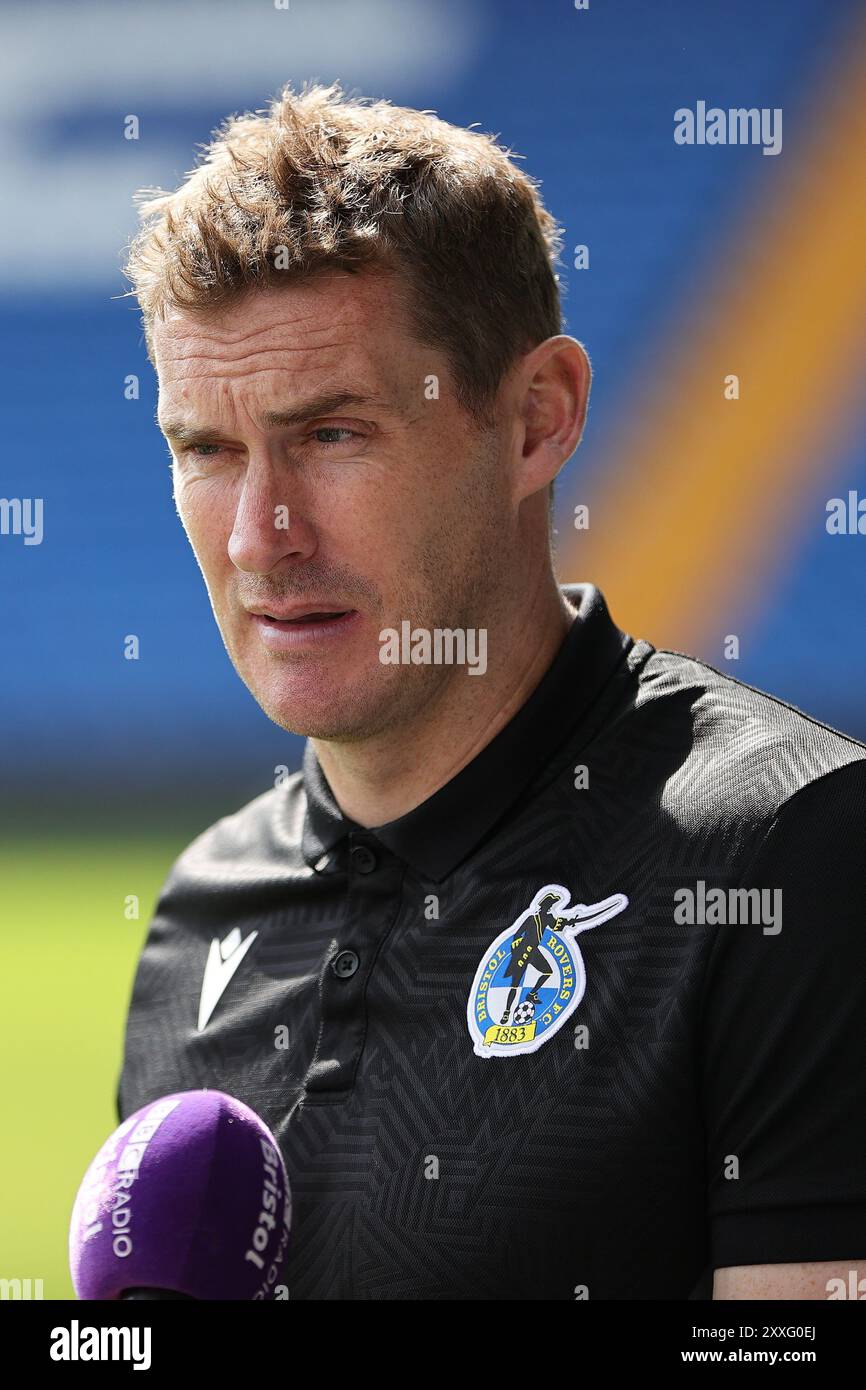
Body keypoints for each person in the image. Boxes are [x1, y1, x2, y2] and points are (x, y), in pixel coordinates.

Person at [117, 81, 866, 1300]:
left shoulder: (787, 854)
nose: (261, 535)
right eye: (206, 450)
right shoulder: (200, 913)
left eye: (333, 433)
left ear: (535, 419)